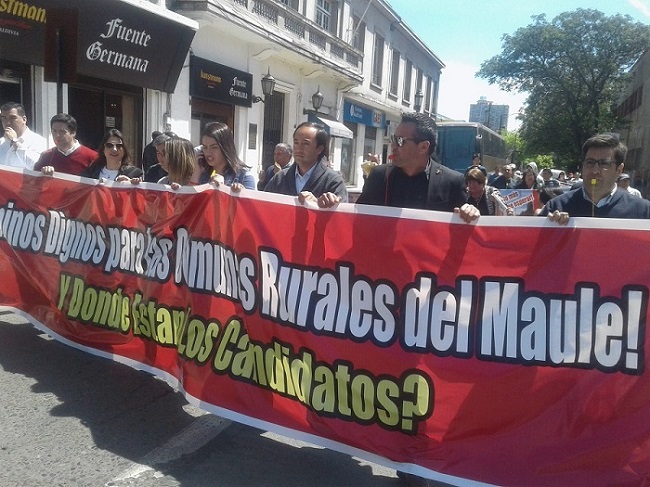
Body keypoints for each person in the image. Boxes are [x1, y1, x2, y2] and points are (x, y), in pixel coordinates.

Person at [356, 112, 478, 223]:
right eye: (393, 139)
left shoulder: (453, 182)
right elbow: (356, 218)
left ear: (423, 147)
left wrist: (470, 213)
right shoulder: (379, 175)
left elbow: (463, 227)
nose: (393, 145)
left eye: (400, 141)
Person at [542, 134, 650, 224]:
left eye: (604, 163)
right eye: (590, 162)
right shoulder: (556, 206)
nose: (594, 171)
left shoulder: (643, 211)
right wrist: (552, 227)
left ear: (619, 170)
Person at [264, 121, 347, 208]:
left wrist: (317, 203)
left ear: (319, 149)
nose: (298, 149)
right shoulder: (280, 178)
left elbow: (343, 213)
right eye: (296, 142)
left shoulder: (333, 181)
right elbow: (263, 206)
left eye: (306, 144)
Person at [197, 122, 255, 189]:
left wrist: (223, 188)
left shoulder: (244, 176)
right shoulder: (204, 175)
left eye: (214, 147)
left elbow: (250, 195)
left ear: (226, 147)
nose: (208, 152)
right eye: (205, 147)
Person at [0, 102, 48, 170]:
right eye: (4, 118)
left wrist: (15, 142)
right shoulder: (1, 142)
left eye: (12, 118)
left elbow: (37, 166)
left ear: (24, 119)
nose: (8, 123)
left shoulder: (38, 142)